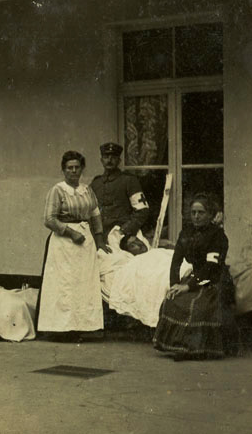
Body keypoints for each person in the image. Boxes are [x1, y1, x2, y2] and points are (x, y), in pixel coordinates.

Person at [153, 194, 238, 360]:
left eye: (201, 212)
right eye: (193, 213)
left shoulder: (218, 236)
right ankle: (177, 345)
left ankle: (194, 348)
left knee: (198, 306)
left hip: (214, 279)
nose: (196, 216)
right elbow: (176, 261)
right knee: (172, 300)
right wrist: (174, 285)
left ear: (210, 214)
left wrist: (188, 286)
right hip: (196, 276)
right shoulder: (186, 233)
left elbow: (211, 267)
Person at [36, 151, 111, 337]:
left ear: (82, 169)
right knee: (64, 284)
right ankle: (61, 328)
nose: (74, 171)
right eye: (70, 168)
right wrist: (70, 232)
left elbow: (95, 213)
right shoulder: (58, 190)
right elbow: (49, 219)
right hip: (63, 242)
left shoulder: (87, 190)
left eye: (77, 167)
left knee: (83, 282)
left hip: (85, 241)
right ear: (63, 170)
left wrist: (100, 239)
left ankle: (84, 326)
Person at [89, 142, 150, 247]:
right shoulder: (95, 183)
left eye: (113, 157)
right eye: (106, 156)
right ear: (101, 160)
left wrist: (123, 231)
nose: (109, 159)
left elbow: (142, 211)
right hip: (100, 237)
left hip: (122, 236)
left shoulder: (129, 180)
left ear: (119, 160)